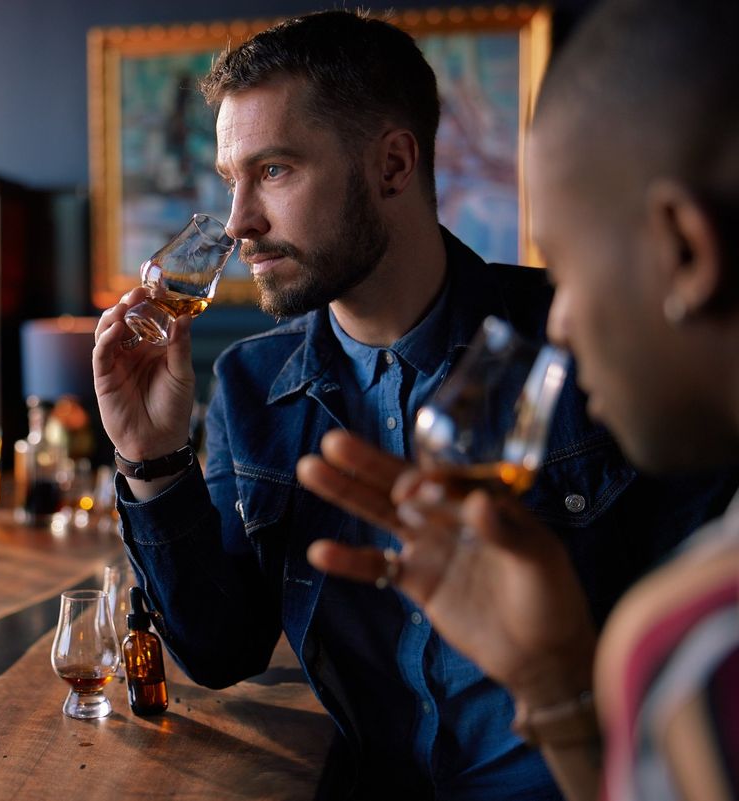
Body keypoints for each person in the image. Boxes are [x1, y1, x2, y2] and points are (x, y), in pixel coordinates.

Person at [92, 9, 735, 799]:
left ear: (394, 164)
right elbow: (222, 652)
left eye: (275, 171)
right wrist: (151, 457)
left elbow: (702, 641)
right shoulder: (250, 384)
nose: (238, 224)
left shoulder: (596, 346)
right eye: (232, 179)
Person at [297, 0, 739, 799]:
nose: (558, 322)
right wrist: (554, 682)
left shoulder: (705, 636)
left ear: (686, 249)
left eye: (566, 266)